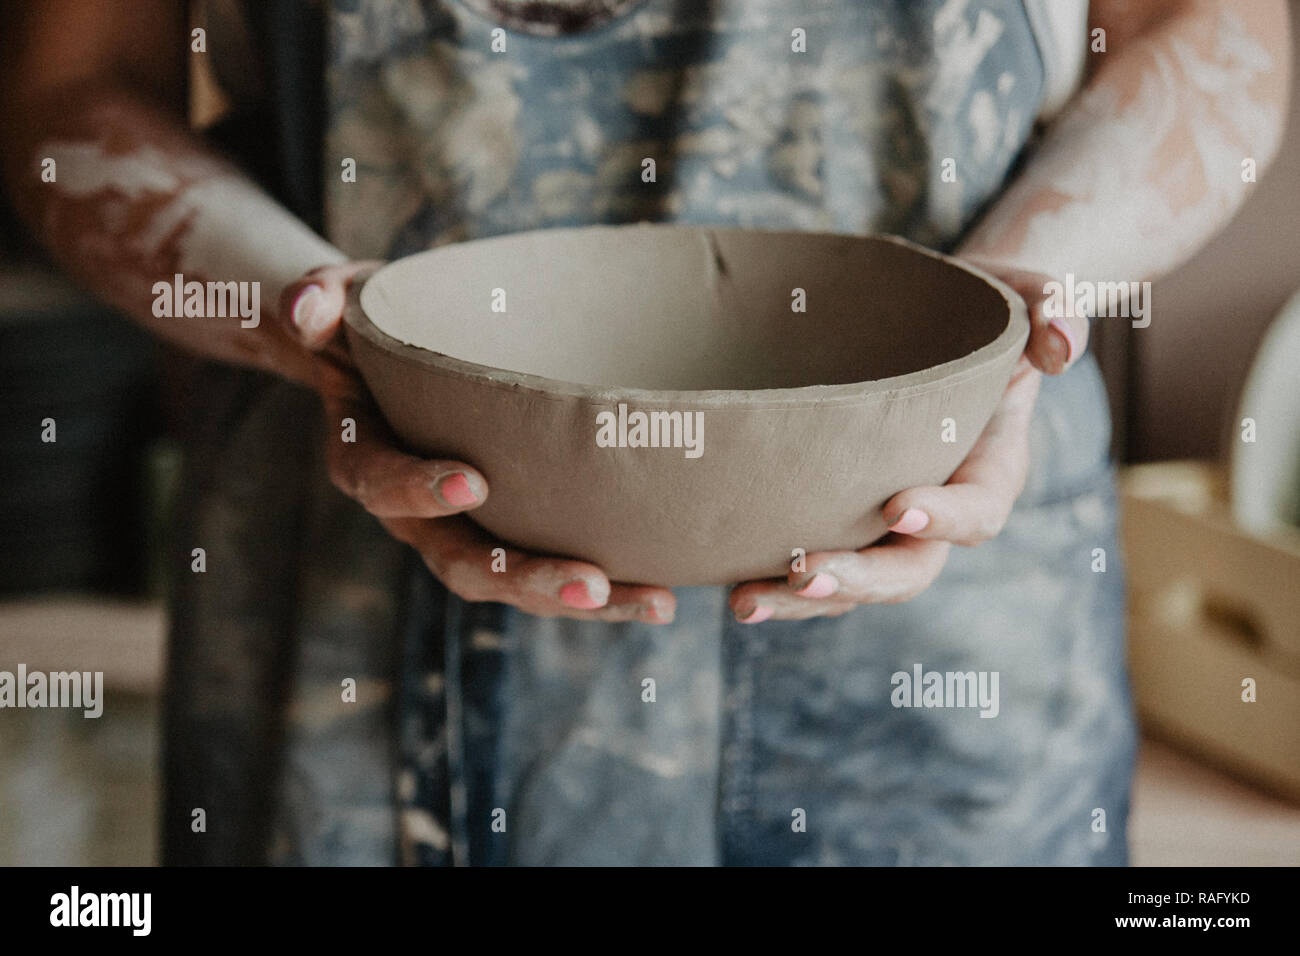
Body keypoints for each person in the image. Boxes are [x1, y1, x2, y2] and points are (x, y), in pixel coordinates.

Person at [1, 0, 1289, 865]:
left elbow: (1212, 27)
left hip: (944, 571)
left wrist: (1025, 297)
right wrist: (304, 316)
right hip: (358, 534)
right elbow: (70, 87)